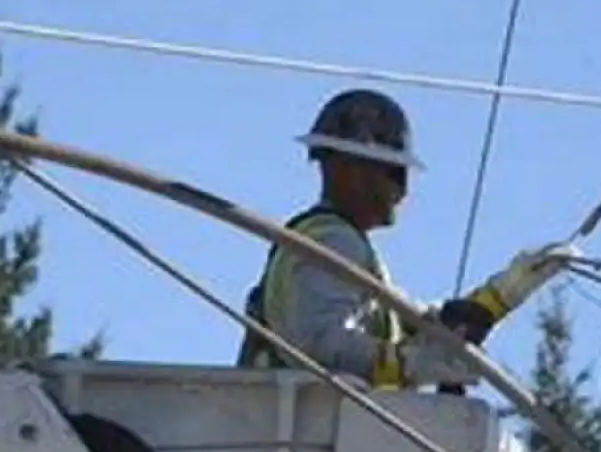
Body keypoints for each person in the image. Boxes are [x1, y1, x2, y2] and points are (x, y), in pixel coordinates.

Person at [236, 88, 575, 390]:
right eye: (394, 173)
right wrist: (411, 364)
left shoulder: (336, 242)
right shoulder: (332, 241)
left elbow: (406, 322)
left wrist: (497, 297)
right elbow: (323, 345)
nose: (403, 190)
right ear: (347, 168)